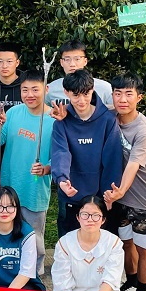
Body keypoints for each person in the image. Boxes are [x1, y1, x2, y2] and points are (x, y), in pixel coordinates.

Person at [103, 73, 146, 291]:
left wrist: (120, 191)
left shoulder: (143, 129)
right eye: (117, 93)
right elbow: (85, 111)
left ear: (139, 97)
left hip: (142, 199)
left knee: (144, 247)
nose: (122, 99)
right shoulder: (110, 115)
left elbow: (133, 165)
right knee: (125, 243)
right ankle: (130, 281)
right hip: (119, 197)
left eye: (129, 94)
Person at [0, 70, 54, 275]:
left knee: (33, 234)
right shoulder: (13, 113)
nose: (30, 95)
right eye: (25, 90)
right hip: (9, 186)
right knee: (6, 231)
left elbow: (60, 157)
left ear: (46, 89)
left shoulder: (54, 119)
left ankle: (35, 274)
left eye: (35, 89)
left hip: (34, 189)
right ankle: (8, 270)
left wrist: (46, 169)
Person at [50, 69, 122, 238]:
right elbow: (61, 152)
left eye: (86, 94)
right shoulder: (61, 122)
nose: (81, 100)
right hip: (70, 193)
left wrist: (108, 194)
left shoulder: (107, 120)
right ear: (66, 92)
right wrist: (62, 179)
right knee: (68, 239)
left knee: (100, 241)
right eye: (75, 95)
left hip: (100, 195)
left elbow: (112, 160)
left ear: (92, 90)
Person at [51, 196, 124, 291]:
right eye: (85, 214)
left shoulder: (113, 243)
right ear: (78, 217)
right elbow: (62, 283)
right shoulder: (65, 243)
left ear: (103, 219)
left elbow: (111, 278)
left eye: (96, 215)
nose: (90, 220)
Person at [0, 187, 45, 290]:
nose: (4, 211)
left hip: (24, 285)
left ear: (17, 208)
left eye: (10, 206)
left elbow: (26, 273)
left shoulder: (27, 233)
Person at [45, 40, 113, 108]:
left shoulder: (104, 88)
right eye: (67, 59)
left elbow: (115, 110)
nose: (72, 64)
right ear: (61, 62)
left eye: (77, 59)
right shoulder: (50, 89)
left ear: (85, 61)